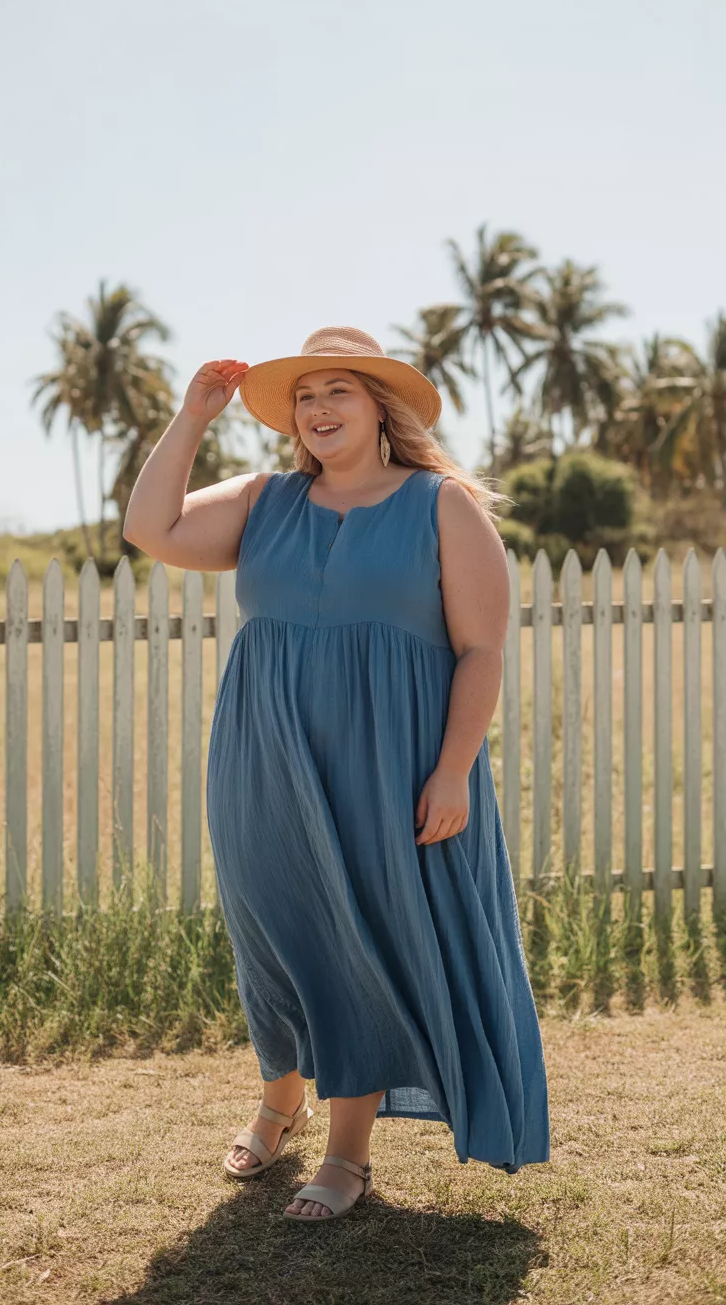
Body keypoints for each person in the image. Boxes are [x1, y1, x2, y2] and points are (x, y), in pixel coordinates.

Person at [123, 326, 550, 1225]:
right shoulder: (264, 500)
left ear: (379, 408)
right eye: (306, 396)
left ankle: (346, 1152)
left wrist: (454, 773)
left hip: (389, 765)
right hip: (263, 757)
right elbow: (149, 529)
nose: (319, 409)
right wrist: (193, 416)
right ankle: (278, 1100)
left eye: (339, 392)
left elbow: (480, 649)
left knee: (357, 939)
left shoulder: (441, 504)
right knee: (274, 939)